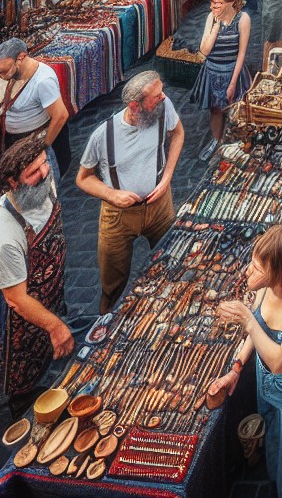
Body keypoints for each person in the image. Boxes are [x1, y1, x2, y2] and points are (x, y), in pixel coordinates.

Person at [210, 224, 282, 498]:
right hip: (266, 384)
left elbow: (279, 361)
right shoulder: (268, 284)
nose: (248, 272)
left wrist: (247, 320)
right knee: (275, 452)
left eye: (257, 268)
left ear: (281, 272)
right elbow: (260, 327)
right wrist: (237, 367)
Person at [77, 72, 184, 313]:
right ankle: (103, 323)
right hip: (118, 217)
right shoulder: (103, 135)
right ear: (136, 105)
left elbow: (178, 134)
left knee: (170, 262)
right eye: (156, 96)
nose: (164, 97)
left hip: (159, 207)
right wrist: (112, 195)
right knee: (112, 284)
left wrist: (166, 177)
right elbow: (83, 178)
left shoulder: (163, 107)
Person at [0, 131, 73, 417]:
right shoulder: (6, 235)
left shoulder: (45, 180)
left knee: (48, 341)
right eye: (33, 172)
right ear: (12, 183)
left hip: (50, 288)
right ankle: (21, 405)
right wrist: (55, 327)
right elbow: (17, 299)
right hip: (19, 309)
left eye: (45, 163)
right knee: (21, 362)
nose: (45, 173)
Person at [191, 0, 253, 147]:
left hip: (232, 70)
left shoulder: (243, 19)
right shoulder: (211, 18)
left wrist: (233, 83)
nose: (213, 6)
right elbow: (204, 50)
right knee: (216, 110)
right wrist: (216, 28)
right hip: (212, 71)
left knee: (237, 109)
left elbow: (241, 53)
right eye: (212, 2)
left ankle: (236, 142)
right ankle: (216, 141)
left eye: (218, 4)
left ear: (231, 2)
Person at [0, 37, 70, 175]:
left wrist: (40, 148)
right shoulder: (10, 72)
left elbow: (61, 116)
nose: (1, 76)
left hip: (33, 140)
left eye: (4, 71)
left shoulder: (43, 81)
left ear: (21, 58)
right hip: (14, 139)